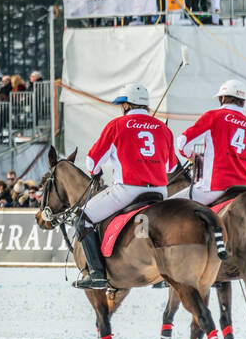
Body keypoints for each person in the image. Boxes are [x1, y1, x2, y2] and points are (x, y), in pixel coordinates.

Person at [75, 83, 177, 290]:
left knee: (82, 219)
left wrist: (96, 173)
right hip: (159, 192)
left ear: (127, 105)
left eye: (122, 105)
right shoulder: (163, 129)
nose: (121, 109)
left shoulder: (117, 125)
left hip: (127, 191)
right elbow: (171, 165)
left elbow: (92, 162)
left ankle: (96, 274)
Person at [175, 79, 246, 205]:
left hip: (215, 186)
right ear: (243, 101)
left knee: (166, 208)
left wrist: (192, 156)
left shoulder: (214, 116)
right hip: (245, 188)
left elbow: (183, 142)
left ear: (223, 97)